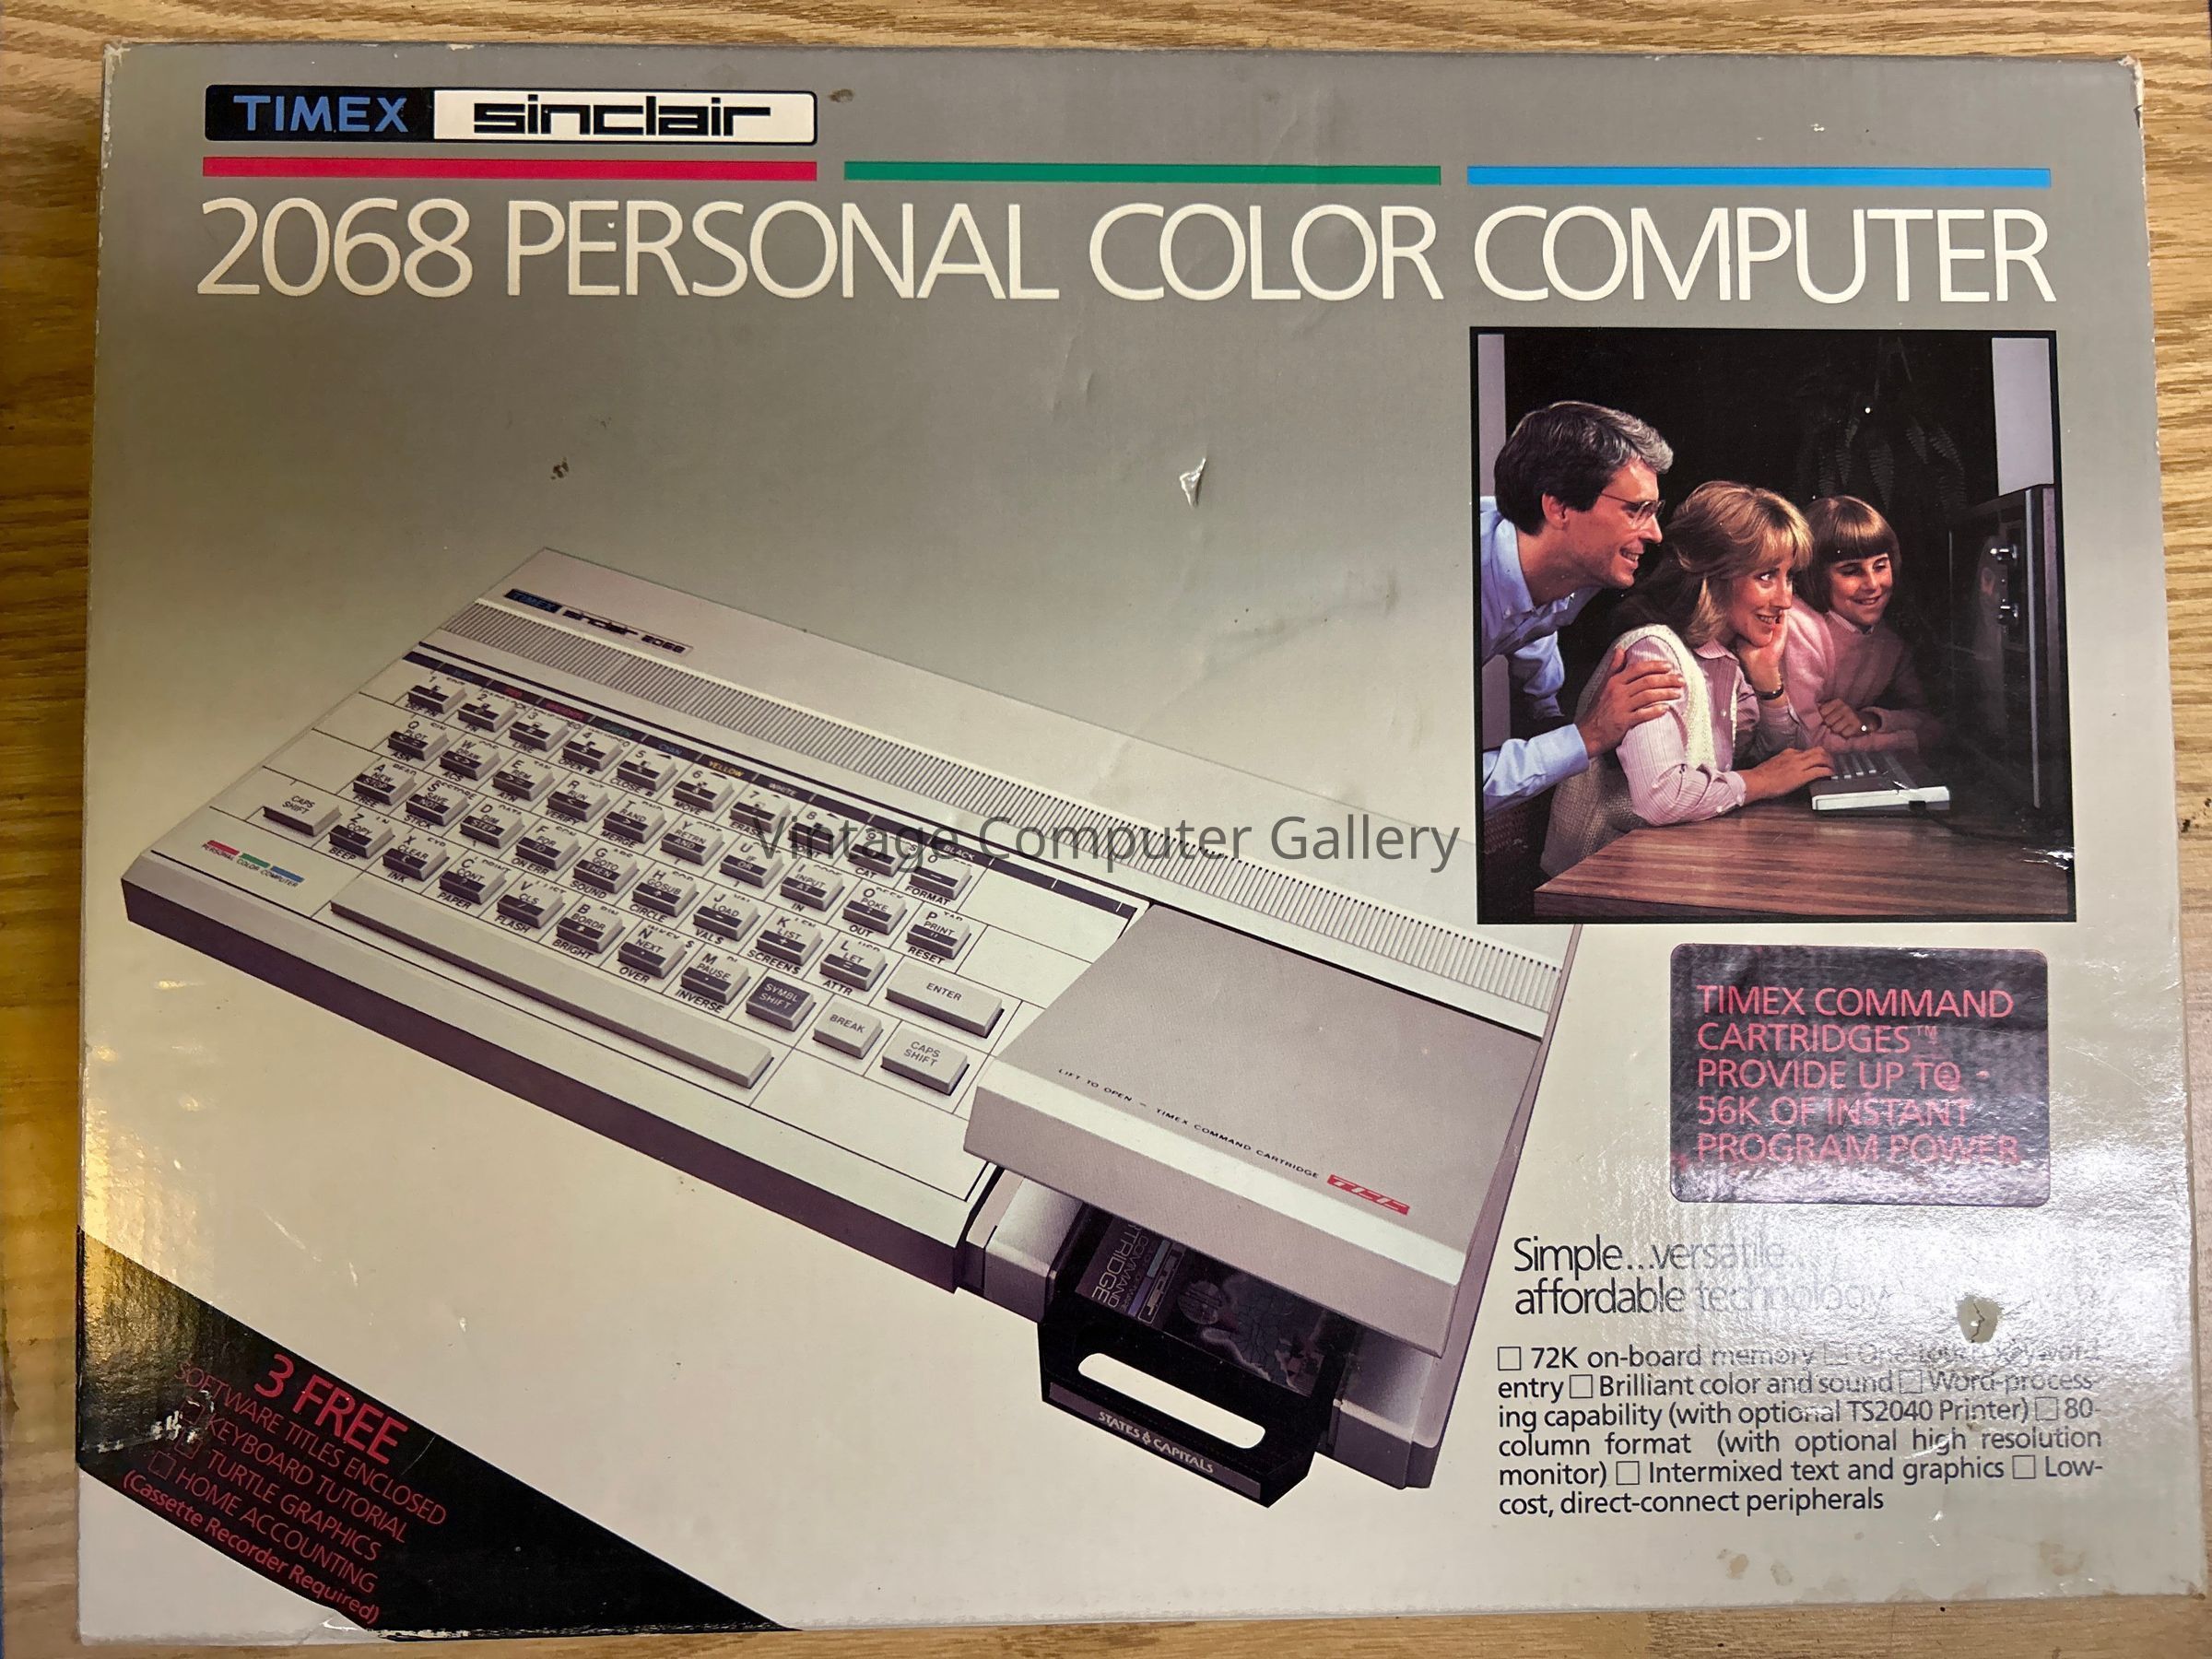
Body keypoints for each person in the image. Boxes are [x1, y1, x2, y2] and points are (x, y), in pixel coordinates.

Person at [1542, 482, 1835, 875]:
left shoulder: (1724, 659)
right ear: (1714, 576)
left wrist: (1768, 680)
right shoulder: (1654, 652)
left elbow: (1782, 760)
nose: (1784, 600)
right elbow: (1660, 797)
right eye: (1766, 576)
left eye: (1789, 577)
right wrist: (1761, 781)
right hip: (1597, 876)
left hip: (1673, 866)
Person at [1481, 402, 1685, 813]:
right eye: (1636, 510)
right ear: (1558, 507)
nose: (1656, 533)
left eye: (1654, 511)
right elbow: (1441, 782)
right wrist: (1586, 736)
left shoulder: (1568, 570)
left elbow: (1537, 621)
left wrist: (1547, 712)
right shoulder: (1450, 588)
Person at [1779, 495, 1945, 752]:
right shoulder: (1798, 625)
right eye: (1851, 571)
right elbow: (1809, 741)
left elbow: (1927, 718)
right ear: (1816, 576)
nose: (1873, 584)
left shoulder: (1889, 640)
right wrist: (1908, 740)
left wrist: (1870, 720)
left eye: (1880, 566)